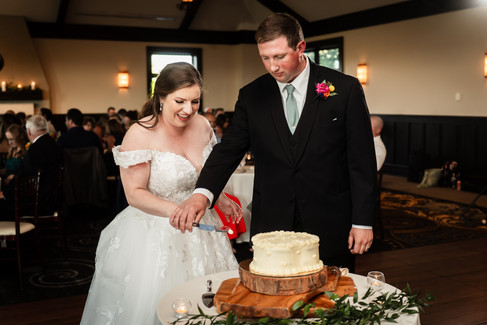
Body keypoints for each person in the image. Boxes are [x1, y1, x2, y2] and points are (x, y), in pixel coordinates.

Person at [172, 13, 377, 272]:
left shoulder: (344, 89)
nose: (272, 66)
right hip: (272, 222)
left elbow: (361, 161)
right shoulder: (252, 95)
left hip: (330, 220)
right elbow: (229, 150)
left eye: (279, 56)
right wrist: (202, 194)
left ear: (300, 47)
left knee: (332, 300)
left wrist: (362, 222)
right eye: (265, 58)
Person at [80, 62, 240, 325]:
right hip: (155, 231)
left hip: (203, 228)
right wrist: (178, 211)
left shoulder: (201, 125)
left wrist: (220, 197)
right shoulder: (140, 133)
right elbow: (134, 194)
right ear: (161, 97)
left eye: (195, 101)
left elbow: (209, 172)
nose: (188, 110)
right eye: (180, 101)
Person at [0, 115, 63, 219]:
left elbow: (24, 178)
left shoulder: (35, 149)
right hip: (54, 198)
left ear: (28, 131)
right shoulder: (55, 145)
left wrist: (6, 194)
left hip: (38, 202)